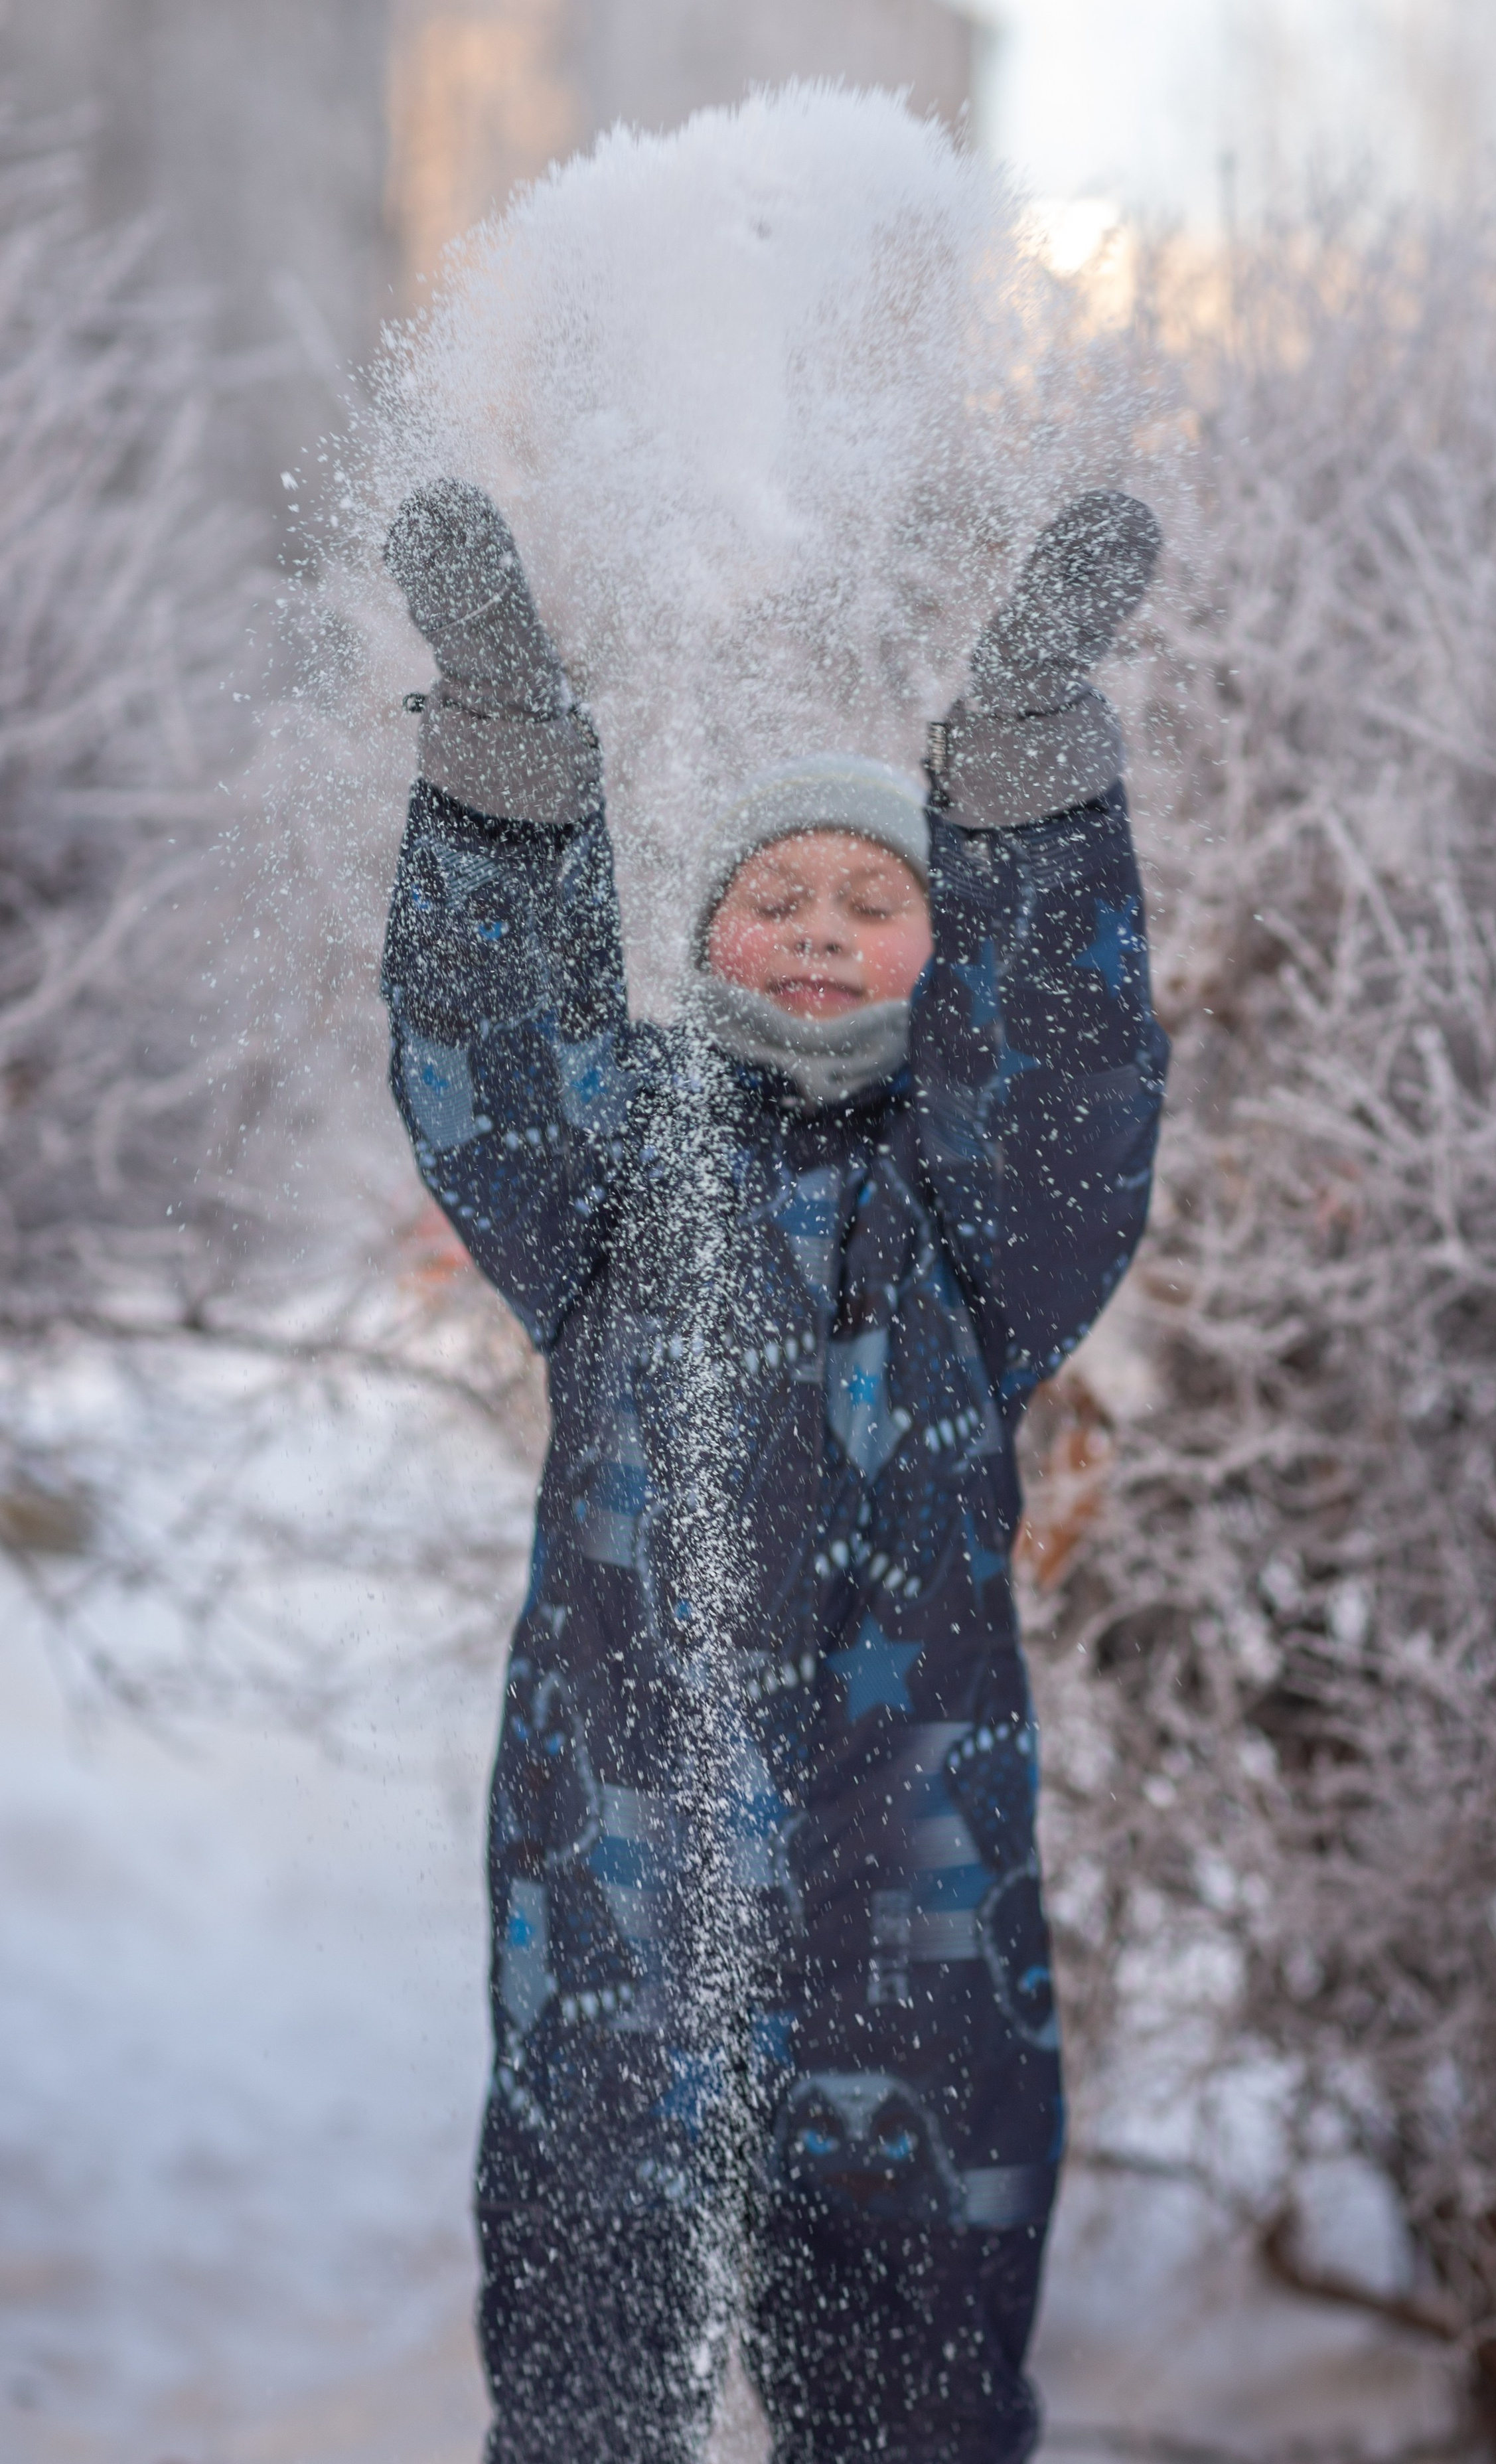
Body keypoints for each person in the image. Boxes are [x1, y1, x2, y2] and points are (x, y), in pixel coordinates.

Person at [380, 478, 1168, 2464]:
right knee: (586, 2396)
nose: (819, 929)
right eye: (776, 897)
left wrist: (1025, 766)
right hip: (619, 1928)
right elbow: (492, 1035)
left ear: (940, 947)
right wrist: (506, 751)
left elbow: (1067, 1066)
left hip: (916, 1929)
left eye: (875, 899)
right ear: (708, 932)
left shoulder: (983, 1218)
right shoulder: (611, 1180)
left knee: (915, 2398)